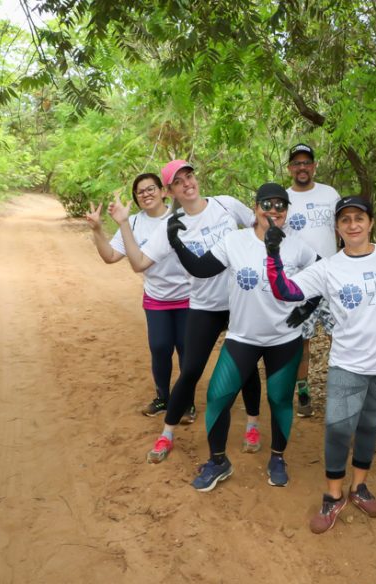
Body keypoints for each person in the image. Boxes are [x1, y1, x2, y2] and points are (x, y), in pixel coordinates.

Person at [264, 195, 376, 533]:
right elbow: (286, 291)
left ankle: (359, 487)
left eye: (359, 218)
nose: (353, 225)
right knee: (338, 427)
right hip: (348, 361)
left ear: (371, 222)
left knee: (369, 426)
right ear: (337, 228)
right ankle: (333, 494)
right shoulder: (329, 267)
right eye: (345, 219)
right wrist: (273, 256)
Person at [167, 182, 319, 491]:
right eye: (268, 203)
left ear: (287, 212)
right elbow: (201, 269)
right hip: (242, 337)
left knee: (279, 401)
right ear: (255, 207)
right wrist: (175, 242)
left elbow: (323, 273)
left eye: (281, 205)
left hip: (284, 339)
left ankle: (278, 457)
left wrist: (307, 309)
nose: (274, 210)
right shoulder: (235, 241)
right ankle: (218, 461)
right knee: (217, 397)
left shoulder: (297, 246)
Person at [111, 160, 264, 463]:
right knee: (190, 370)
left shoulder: (225, 204)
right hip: (204, 306)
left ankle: (252, 425)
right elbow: (139, 263)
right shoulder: (172, 226)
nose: (187, 184)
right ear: (170, 191)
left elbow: (259, 227)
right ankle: (167, 434)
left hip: (239, 302)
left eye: (189, 176)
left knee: (245, 369)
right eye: (178, 182)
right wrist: (123, 224)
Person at [85, 173, 190, 417]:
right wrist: (98, 230)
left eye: (151, 188)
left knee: (186, 349)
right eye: (140, 192)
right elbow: (110, 256)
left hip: (188, 296)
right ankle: (163, 398)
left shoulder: (181, 217)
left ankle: (187, 401)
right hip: (156, 298)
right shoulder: (132, 223)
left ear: (164, 191)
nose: (146, 194)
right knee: (160, 347)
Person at [284, 143, 341, 417]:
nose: (302, 167)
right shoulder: (283, 199)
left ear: (314, 166)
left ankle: (341, 391)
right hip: (301, 283)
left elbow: (343, 230)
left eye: (307, 162)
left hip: (332, 279)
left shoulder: (329, 194)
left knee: (339, 336)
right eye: (297, 163)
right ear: (290, 169)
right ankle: (303, 392)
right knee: (301, 341)